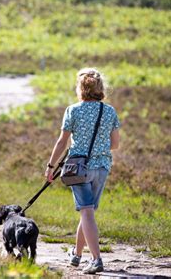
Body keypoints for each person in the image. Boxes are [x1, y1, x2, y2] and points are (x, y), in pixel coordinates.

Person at [44, 67, 120, 274]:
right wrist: (97, 147)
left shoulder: (73, 110)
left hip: (78, 167)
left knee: (86, 212)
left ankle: (96, 259)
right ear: (100, 88)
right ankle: (76, 255)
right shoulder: (110, 111)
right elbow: (115, 144)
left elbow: (62, 142)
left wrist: (51, 166)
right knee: (88, 212)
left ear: (81, 88)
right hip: (102, 167)